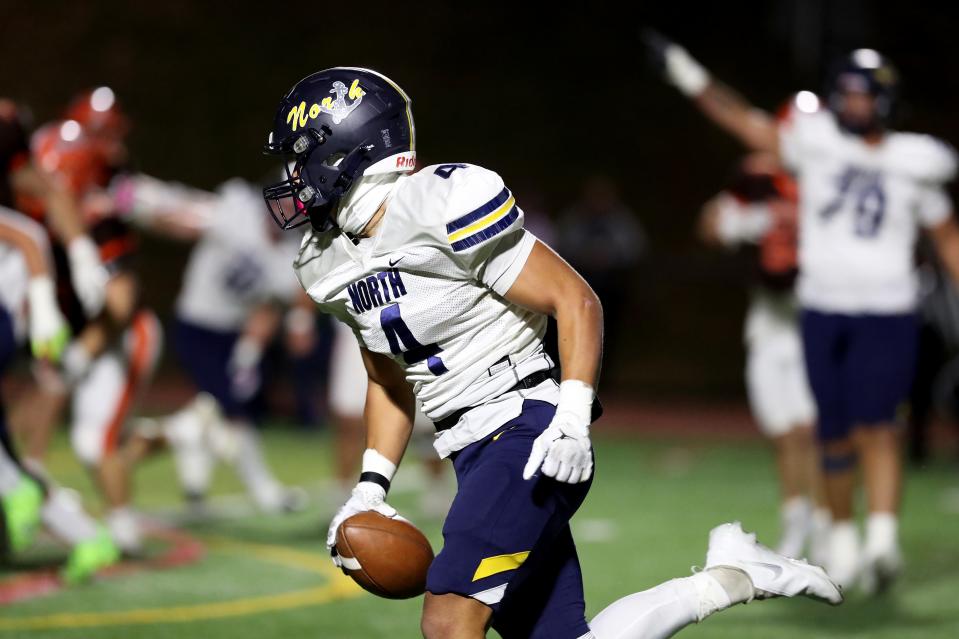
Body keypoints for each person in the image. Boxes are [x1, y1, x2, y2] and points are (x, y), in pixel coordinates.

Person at [263, 67, 841, 639]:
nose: (291, 177)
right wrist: (370, 487)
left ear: (343, 148)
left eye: (299, 157)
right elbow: (388, 380)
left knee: (448, 623)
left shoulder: (438, 202)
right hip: (468, 449)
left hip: (526, 430)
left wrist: (570, 419)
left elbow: (575, 300)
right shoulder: (326, 262)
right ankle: (731, 575)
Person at [647, 34, 959, 593]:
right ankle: (837, 540)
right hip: (821, 308)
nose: (855, 104)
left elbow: (949, 239)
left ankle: (881, 540)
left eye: (865, 95)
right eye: (848, 93)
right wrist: (688, 74)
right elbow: (744, 124)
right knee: (830, 432)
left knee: (880, 427)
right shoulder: (813, 147)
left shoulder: (915, 159)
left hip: (887, 307)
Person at [0, 100, 118, 582]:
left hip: (12, 300)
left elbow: (29, 228)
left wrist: (51, 293)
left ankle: (14, 492)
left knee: (9, 473)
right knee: (5, 451)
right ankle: (88, 538)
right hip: (16, 303)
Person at [698, 147, 827, 562]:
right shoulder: (752, 209)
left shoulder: (818, 201)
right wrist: (750, 197)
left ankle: (826, 527)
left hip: (814, 329)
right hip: (769, 330)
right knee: (784, 433)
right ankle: (796, 524)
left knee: (814, 433)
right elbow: (711, 228)